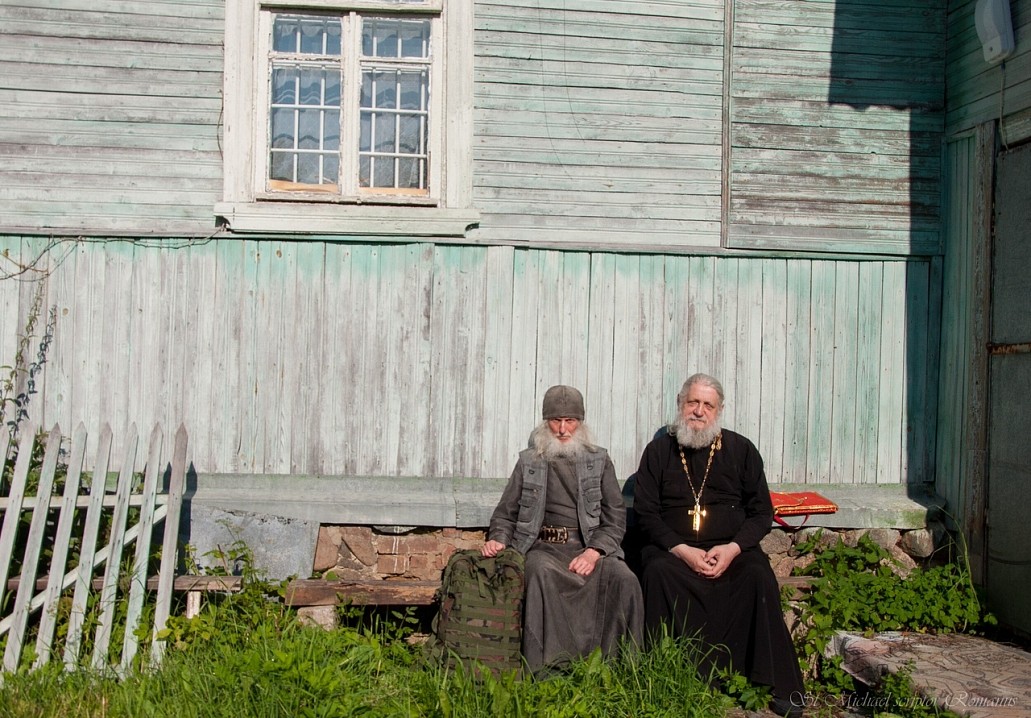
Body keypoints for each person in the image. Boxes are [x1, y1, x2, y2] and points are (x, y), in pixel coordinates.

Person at [632, 373, 805, 718]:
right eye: (692, 402)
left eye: (707, 405)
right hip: (674, 552)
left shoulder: (741, 450)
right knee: (656, 571)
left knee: (757, 574)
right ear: (680, 403)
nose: (698, 411)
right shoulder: (658, 451)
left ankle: (778, 684)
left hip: (731, 551)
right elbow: (646, 513)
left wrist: (732, 548)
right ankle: (669, 676)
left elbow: (760, 513)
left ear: (719, 410)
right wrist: (682, 549)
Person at [482, 385, 644, 673]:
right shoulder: (529, 462)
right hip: (542, 549)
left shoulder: (600, 461)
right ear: (546, 422)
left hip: (589, 548)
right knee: (540, 574)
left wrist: (595, 552)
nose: (562, 429)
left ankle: (620, 669)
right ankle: (548, 671)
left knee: (625, 579)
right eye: (556, 421)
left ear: (580, 422)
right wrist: (498, 540)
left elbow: (615, 517)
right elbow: (505, 514)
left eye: (570, 421)